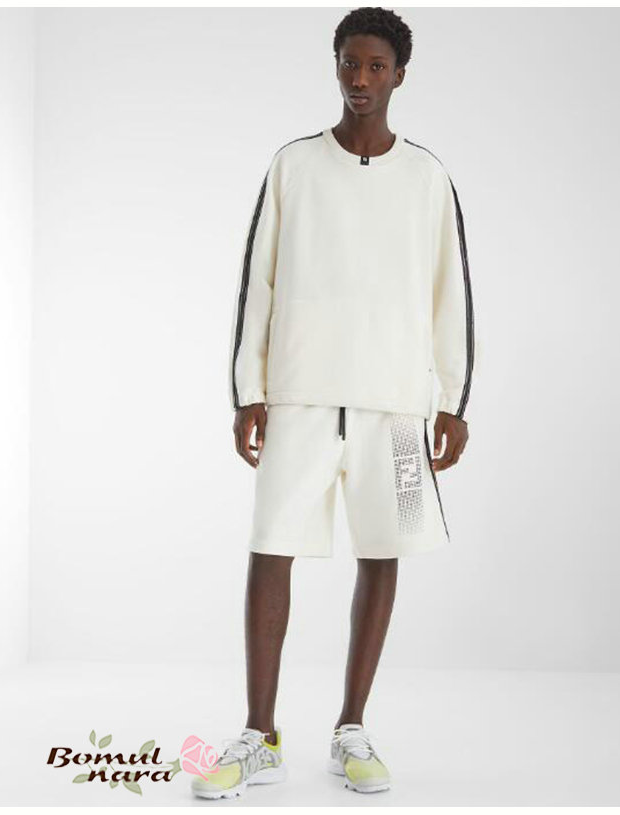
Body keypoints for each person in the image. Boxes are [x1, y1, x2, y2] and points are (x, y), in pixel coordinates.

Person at [192, 5, 474, 800]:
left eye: (376, 65)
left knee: (384, 549)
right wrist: (250, 389)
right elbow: (258, 281)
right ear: (336, 64)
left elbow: (450, 292)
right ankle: (259, 735)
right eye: (350, 62)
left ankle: (352, 728)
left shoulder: (428, 177)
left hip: (398, 407)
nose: (360, 78)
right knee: (270, 546)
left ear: (399, 74)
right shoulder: (294, 165)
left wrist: (452, 400)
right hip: (302, 395)